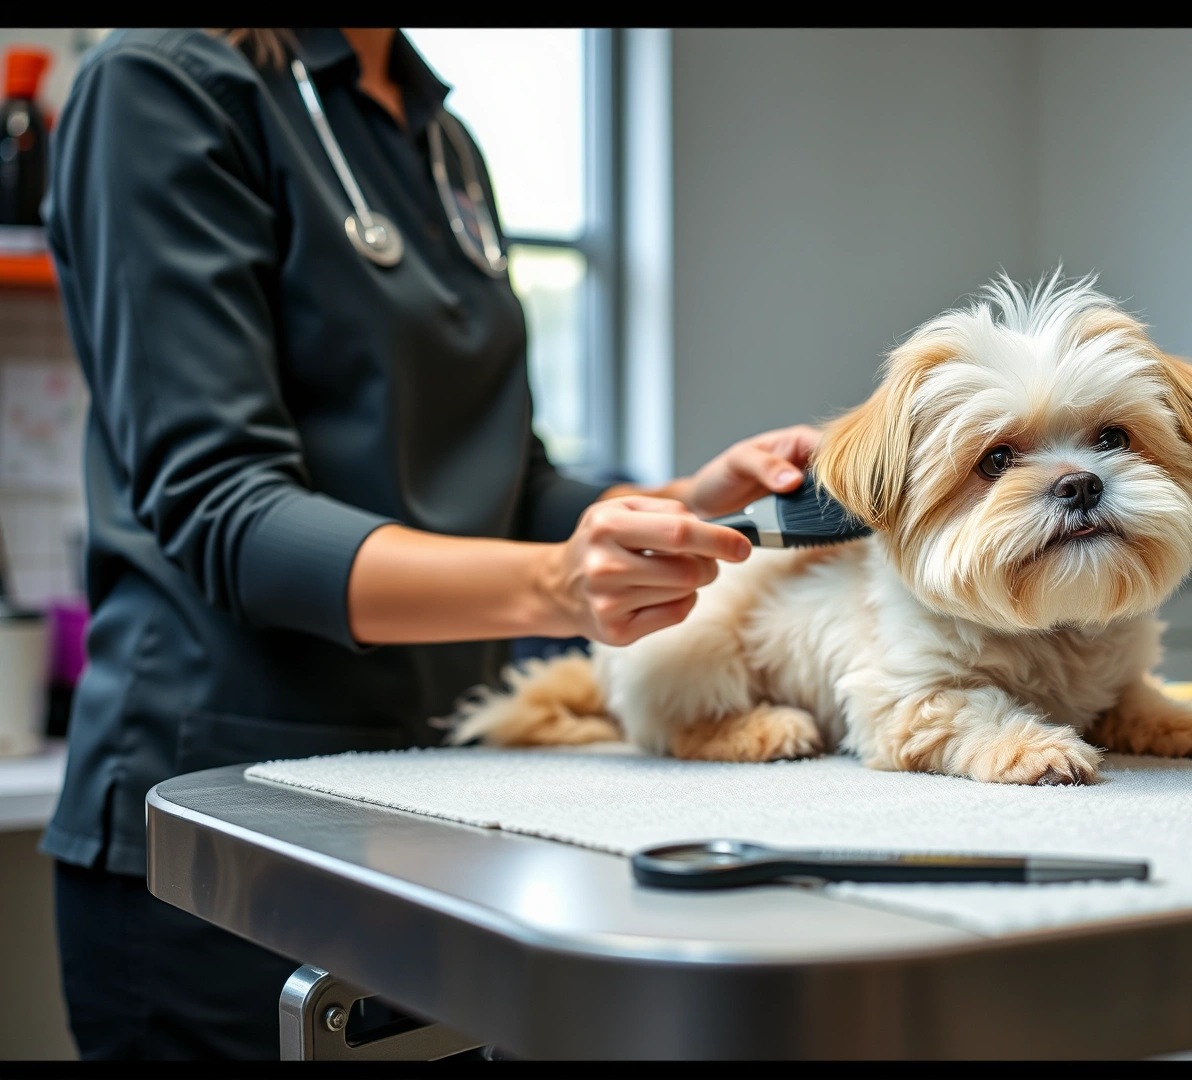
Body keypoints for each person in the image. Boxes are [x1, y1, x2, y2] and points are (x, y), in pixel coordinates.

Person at [38, 27, 815, 1059]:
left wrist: (685, 505)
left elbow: (512, 482)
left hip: (431, 805)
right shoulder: (161, 87)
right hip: (228, 827)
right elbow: (227, 510)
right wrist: (553, 586)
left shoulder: (439, 135)